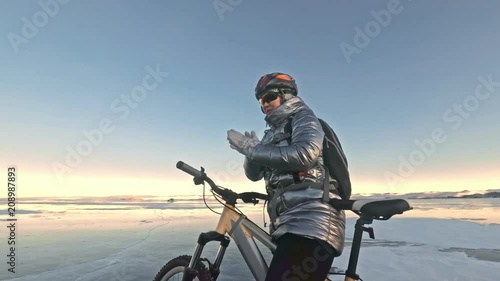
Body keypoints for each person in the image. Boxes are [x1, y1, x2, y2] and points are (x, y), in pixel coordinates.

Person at [227, 72, 346, 281]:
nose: (264, 104)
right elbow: (253, 175)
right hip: (289, 224)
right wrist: (251, 152)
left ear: (287, 94)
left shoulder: (303, 118)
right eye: (260, 101)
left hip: (312, 221)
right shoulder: (271, 133)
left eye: (269, 97)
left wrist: (253, 149)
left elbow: (303, 155)